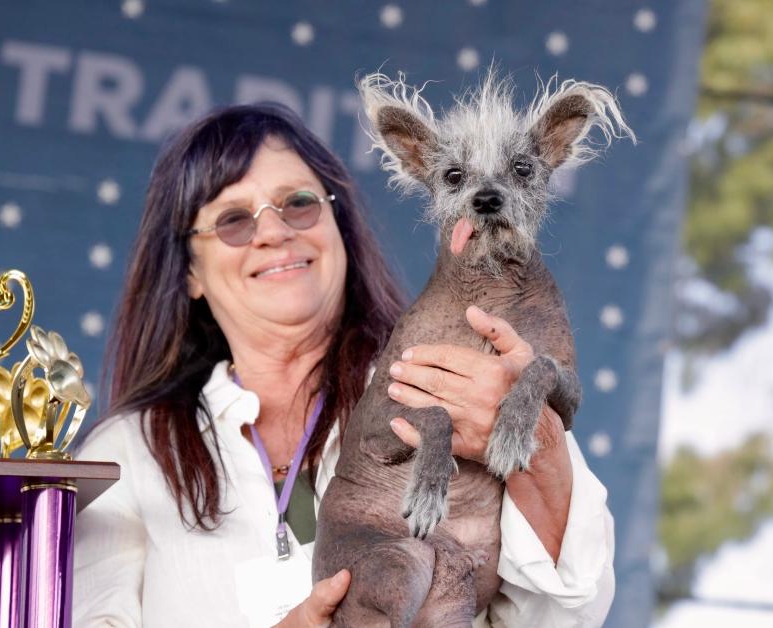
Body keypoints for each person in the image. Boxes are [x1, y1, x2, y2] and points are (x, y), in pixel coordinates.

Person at [72, 102, 615, 627]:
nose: (273, 231)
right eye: (234, 220)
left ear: (339, 227)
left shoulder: (459, 376)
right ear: (189, 271)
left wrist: (537, 437)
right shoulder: (127, 456)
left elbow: (568, 610)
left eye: (299, 203)